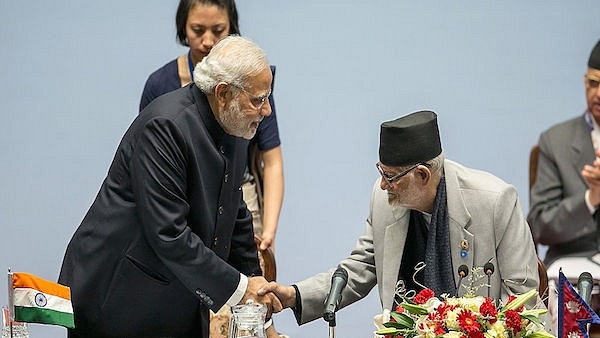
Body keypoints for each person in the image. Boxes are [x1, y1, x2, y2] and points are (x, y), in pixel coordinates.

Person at [58, 36, 281, 338]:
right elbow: (168, 233)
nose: (266, 110)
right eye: (259, 99)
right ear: (224, 93)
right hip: (117, 297)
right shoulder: (166, 126)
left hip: (174, 295)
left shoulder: (233, 124)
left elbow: (235, 211)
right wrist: (242, 289)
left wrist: (259, 296)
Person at [258, 110, 542, 328]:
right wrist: (295, 295)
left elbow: (522, 299)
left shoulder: (495, 202)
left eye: (390, 177)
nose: (382, 185)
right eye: (380, 172)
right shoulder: (384, 200)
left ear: (422, 175)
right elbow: (361, 267)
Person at [140, 0, 284, 252]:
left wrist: (267, 231)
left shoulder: (254, 84)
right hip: (178, 197)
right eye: (198, 30)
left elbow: (271, 162)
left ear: (232, 27)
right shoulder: (160, 85)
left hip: (238, 197)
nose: (208, 41)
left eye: (218, 31)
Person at [528, 40, 600, 267]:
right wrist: (591, 198)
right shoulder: (556, 141)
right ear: (584, 81)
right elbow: (540, 226)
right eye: (594, 83)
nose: (599, 93)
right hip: (574, 264)